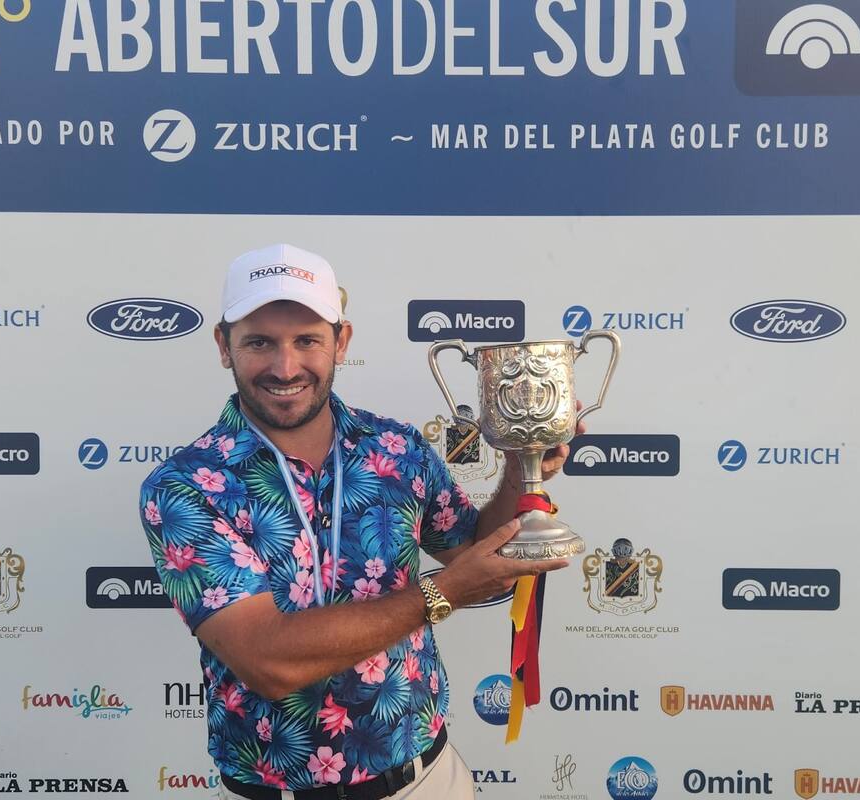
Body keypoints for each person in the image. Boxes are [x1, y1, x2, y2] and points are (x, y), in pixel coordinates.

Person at [139, 244, 580, 800]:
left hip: (427, 778)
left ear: (340, 342)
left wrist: (524, 469)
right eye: (258, 342)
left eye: (307, 340)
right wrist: (443, 595)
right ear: (223, 346)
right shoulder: (184, 486)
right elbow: (267, 660)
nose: (285, 367)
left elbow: (467, 545)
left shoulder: (397, 448)